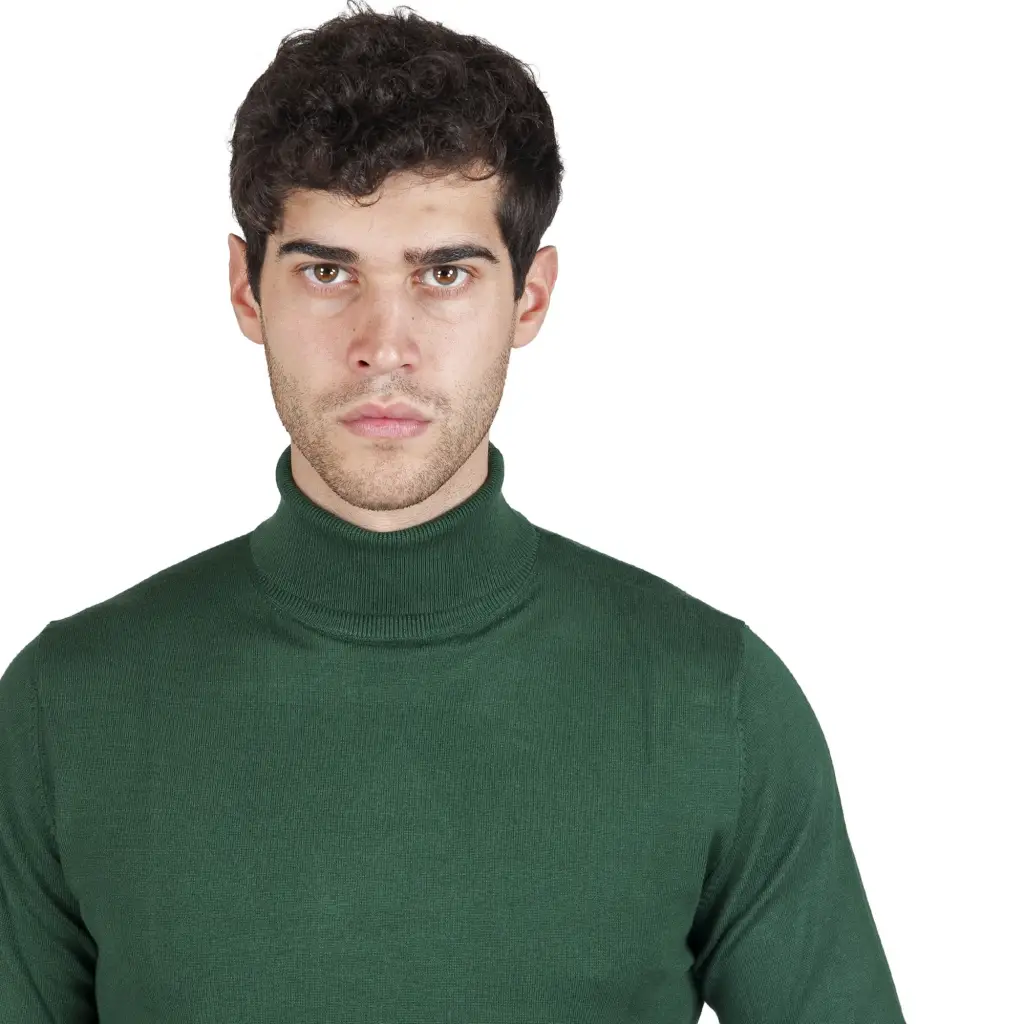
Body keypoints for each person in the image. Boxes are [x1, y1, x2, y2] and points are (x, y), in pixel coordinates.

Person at [0, 2, 906, 1021]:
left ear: (529, 298)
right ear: (247, 293)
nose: (383, 344)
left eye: (443, 274)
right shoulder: (63, 713)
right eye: (327, 271)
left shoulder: (711, 703)